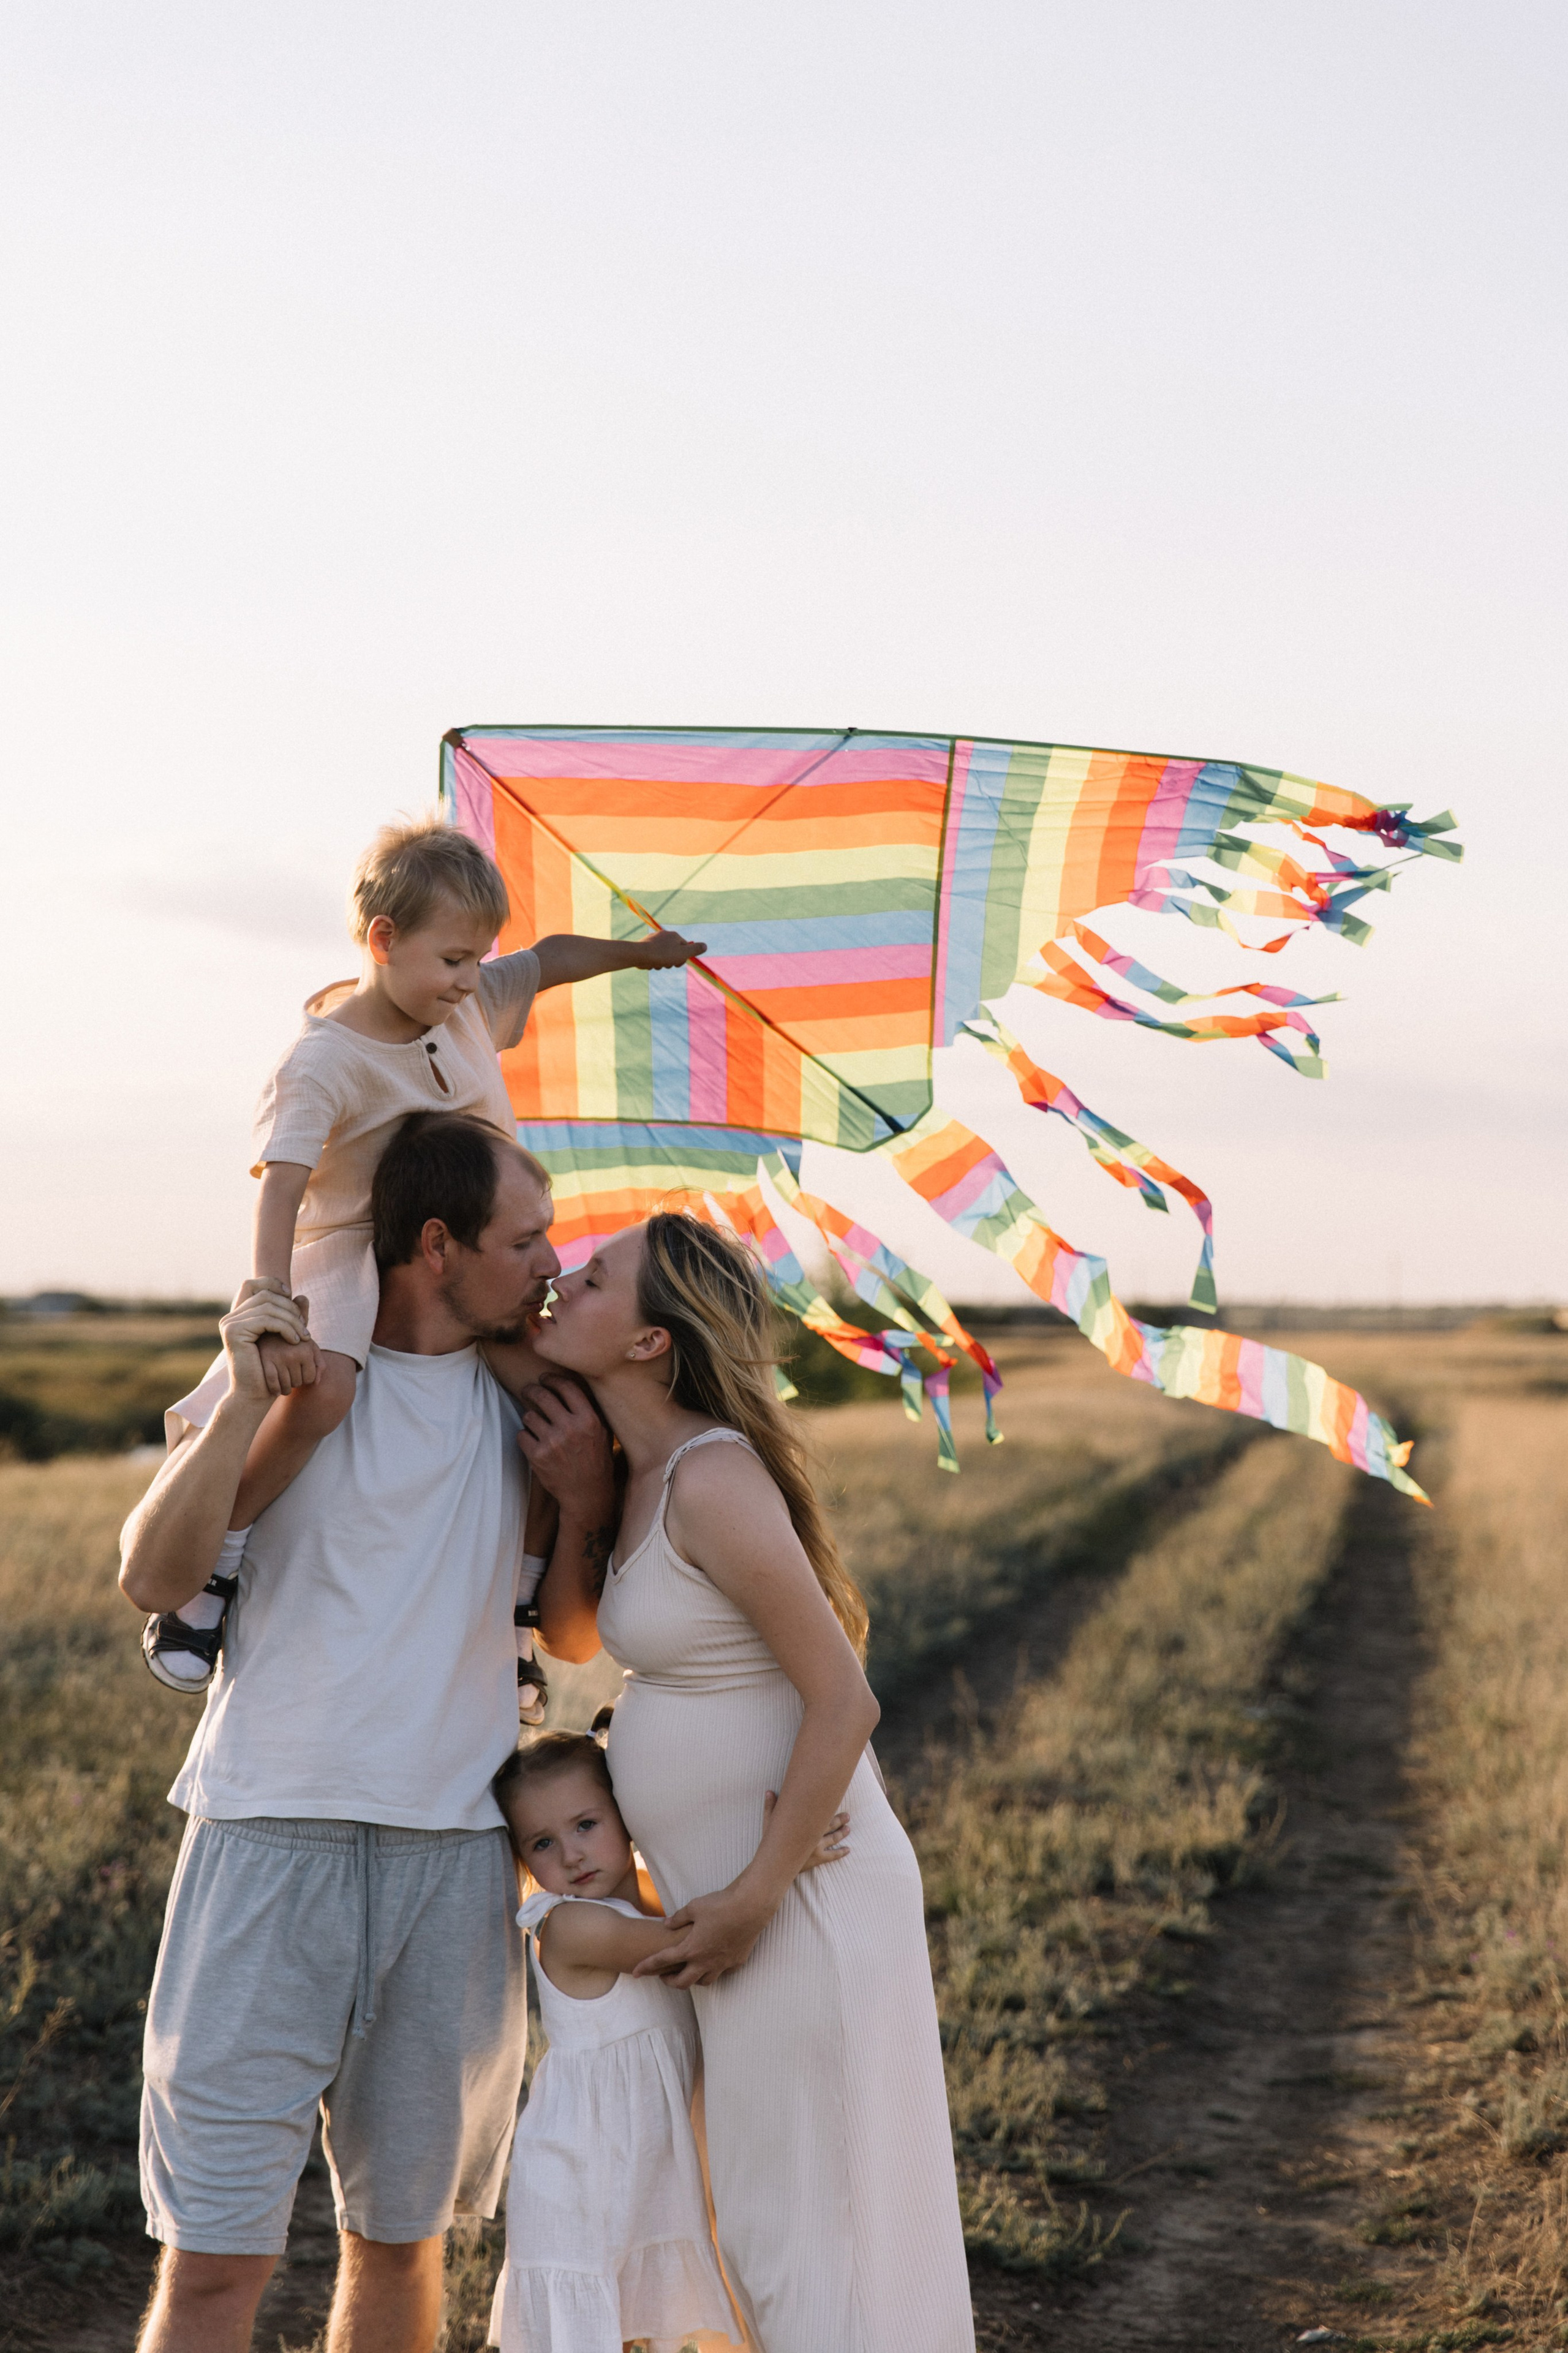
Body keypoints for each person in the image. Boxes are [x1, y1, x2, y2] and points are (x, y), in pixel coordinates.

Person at [119, 1111, 616, 2353]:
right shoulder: (301, 1372)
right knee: (217, 2259)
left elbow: (564, 1634)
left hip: (453, 1862)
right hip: (266, 1836)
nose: (553, 1260)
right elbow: (150, 1575)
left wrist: (585, 1495)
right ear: (435, 1245)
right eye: (528, 1238)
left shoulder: (539, 1410)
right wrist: (243, 1395)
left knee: (401, 2246)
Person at [525, 1212, 976, 2353]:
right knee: (778, 2225)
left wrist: (760, 1892)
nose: (561, 1285)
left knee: (806, 2231)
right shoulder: (637, 1474)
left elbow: (846, 1699)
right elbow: (578, 1641)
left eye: (593, 1278)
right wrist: (581, 1500)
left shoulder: (712, 1478)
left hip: (796, 1901)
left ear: (648, 1343)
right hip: (741, 1903)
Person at [146, 814, 701, 1692]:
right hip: (355, 1259)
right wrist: (268, 1300)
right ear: (382, 939)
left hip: (480, 1264)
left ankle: (521, 1611)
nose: (471, 978)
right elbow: (283, 1185)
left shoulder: (470, 1004)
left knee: (563, 1412)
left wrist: (638, 954)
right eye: (453, 959)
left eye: (480, 958)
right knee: (323, 1388)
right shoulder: (324, 1058)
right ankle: (220, 1559)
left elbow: (550, 958)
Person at [488, 1731, 838, 2353]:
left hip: (651, 2167)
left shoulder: (658, 1892)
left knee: (654, 2327)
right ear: (521, 1859)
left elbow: (702, 1913)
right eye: (542, 1843)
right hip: (582, 2174)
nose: (571, 1854)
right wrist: (781, 1865)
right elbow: (700, 1944)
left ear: (627, 1817)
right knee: (595, 2332)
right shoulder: (568, 1926)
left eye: (587, 1824)